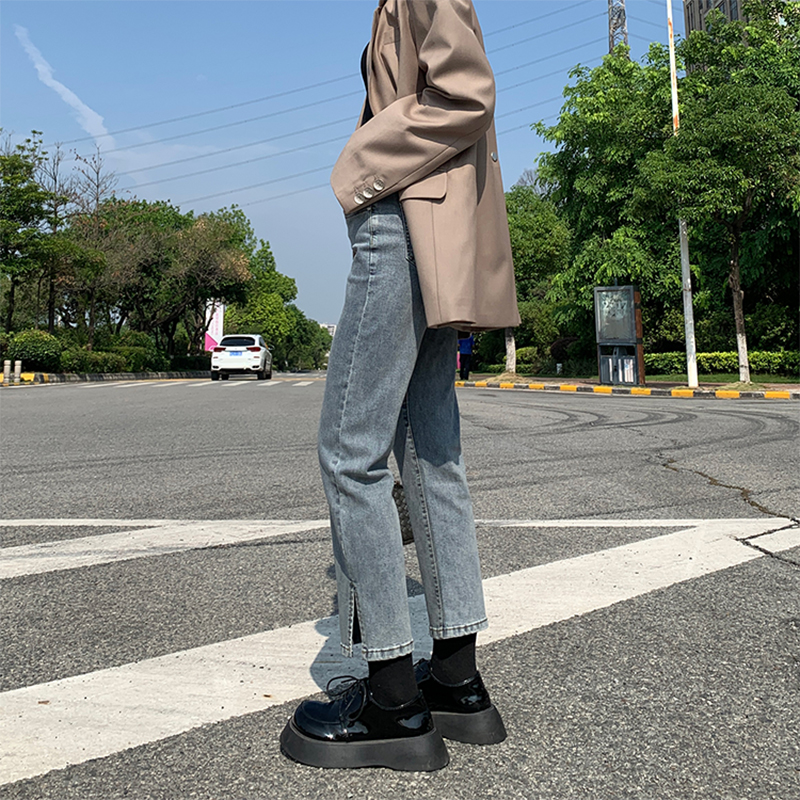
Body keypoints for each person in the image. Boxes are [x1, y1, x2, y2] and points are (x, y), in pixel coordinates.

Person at [280, 0, 520, 772]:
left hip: (405, 222)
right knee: (429, 453)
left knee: (350, 453)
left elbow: (467, 92)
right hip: (436, 231)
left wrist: (361, 161)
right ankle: (454, 680)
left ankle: (391, 699)